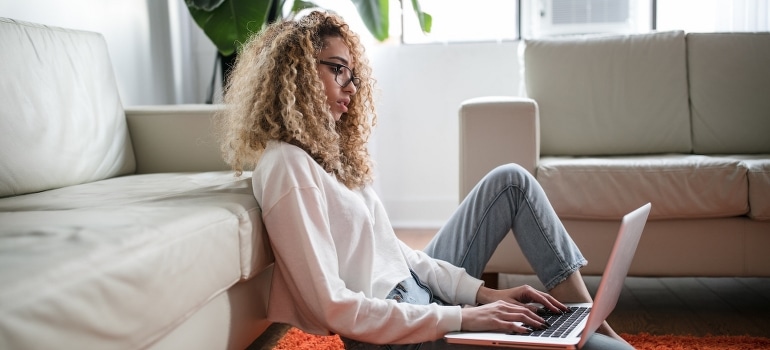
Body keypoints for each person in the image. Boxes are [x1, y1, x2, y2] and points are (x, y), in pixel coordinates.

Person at [217, 11, 633, 350]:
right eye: (339, 70)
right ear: (299, 72)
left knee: (511, 182)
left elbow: (397, 254)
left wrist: (482, 295)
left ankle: (587, 319)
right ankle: (589, 334)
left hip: (419, 298)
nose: (352, 86)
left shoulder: (330, 157)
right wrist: (463, 317)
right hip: (393, 335)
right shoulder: (286, 166)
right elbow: (332, 306)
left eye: (354, 74)